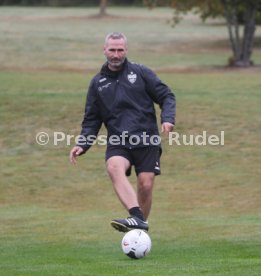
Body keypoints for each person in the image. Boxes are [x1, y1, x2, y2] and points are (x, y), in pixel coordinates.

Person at [69, 32, 176, 233]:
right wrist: (82, 144)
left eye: (120, 50)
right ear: (104, 50)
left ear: (126, 50)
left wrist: (168, 119)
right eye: (112, 50)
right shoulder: (97, 83)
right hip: (118, 141)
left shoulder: (141, 73)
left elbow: (166, 96)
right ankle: (137, 217)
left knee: (145, 184)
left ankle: (139, 232)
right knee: (113, 167)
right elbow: (92, 119)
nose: (116, 54)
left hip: (146, 139)